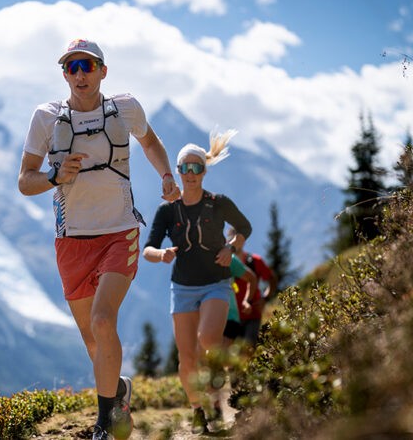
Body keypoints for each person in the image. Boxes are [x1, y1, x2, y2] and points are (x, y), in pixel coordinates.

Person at [17, 38, 181, 440]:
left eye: (87, 65)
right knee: (95, 343)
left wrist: (165, 175)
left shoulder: (125, 108)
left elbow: (151, 142)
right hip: (71, 238)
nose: (79, 74)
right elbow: (25, 181)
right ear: (63, 74)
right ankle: (119, 392)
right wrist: (56, 177)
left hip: (119, 231)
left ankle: (104, 424)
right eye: (71, 67)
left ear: (103, 71)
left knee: (103, 320)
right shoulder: (46, 117)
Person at [142, 129, 252, 434]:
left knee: (208, 340)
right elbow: (147, 250)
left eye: (197, 167)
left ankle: (217, 400)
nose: (191, 174)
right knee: (187, 357)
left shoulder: (218, 203)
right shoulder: (167, 211)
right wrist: (162, 254)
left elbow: (244, 227)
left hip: (216, 283)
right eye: (186, 168)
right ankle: (198, 410)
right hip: (182, 288)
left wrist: (231, 248)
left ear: (204, 170)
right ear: (177, 171)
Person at [226, 226, 278, 348]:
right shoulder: (224, 262)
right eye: (231, 239)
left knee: (247, 352)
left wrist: (265, 298)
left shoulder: (254, 261)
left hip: (252, 316)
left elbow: (272, 278)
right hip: (231, 318)